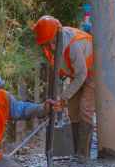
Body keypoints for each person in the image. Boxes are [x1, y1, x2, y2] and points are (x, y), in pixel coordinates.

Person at [35, 15, 95, 159]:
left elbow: (81, 75)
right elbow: (62, 70)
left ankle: (83, 157)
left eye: (54, 42)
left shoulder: (74, 46)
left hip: (93, 74)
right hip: (77, 75)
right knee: (73, 111)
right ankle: (76, 153)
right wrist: (61, 98)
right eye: (48, 44)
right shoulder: (49, 48)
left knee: (85, 111)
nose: (52, 48)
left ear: (59, 35)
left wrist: (63, 97)